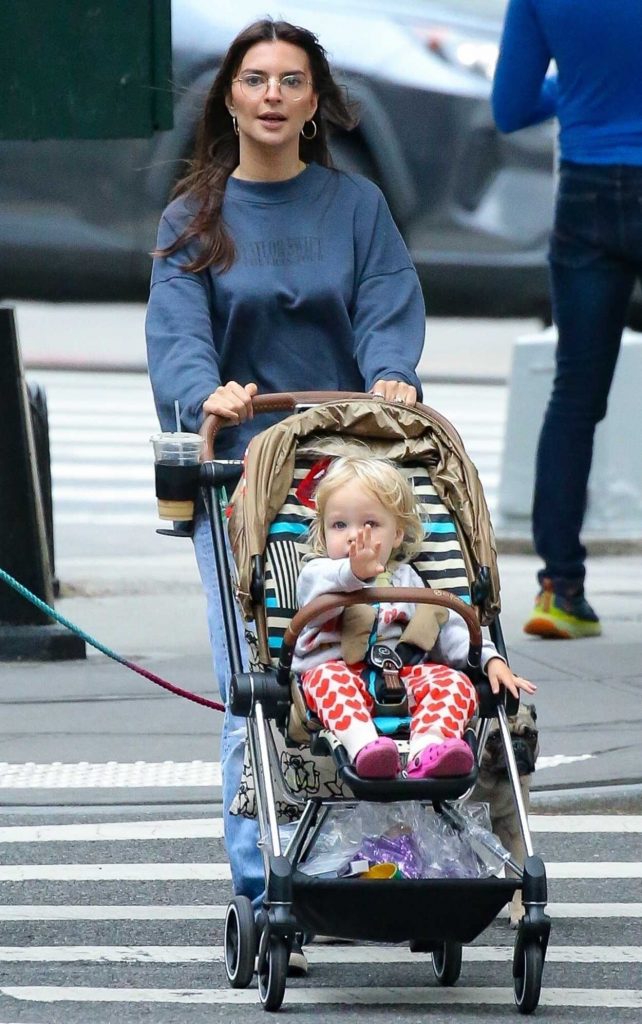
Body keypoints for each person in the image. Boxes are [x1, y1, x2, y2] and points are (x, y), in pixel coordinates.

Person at [145, 18, 426, 967]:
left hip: (348, 480)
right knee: (258, 689)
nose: (271, 94)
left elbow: (388, 307)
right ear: (228, 97)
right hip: (243, 482)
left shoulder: (358, 209)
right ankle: (266, 882)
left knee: (376, 667)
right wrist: (205, 392)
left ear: (315, 102)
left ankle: (374, 862)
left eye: (291, 81)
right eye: (255, 79)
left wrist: (392, 378)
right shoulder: (193, 215)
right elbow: (178, 335)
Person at [492, 0, 642, 639]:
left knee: (575, 396)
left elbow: (511, 107)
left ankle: (561, 591)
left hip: (585, 190)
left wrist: (581, 84)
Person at [293, 456, 536, 779]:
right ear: (323, 535)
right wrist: (353, 572)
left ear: (396, 535)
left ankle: (430, 749)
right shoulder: (319, 574)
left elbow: (448, 627)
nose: (354, 536)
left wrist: (490, 659)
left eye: (370, 525)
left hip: (404, 675)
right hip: (339, 676)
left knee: (456, 683)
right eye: (340, 525)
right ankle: (366, 749)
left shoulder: (408, 579)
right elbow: (319, 600)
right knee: (327, 680)